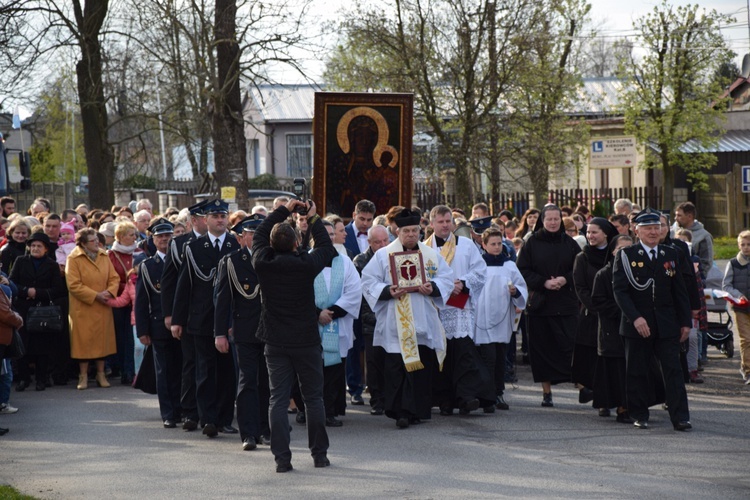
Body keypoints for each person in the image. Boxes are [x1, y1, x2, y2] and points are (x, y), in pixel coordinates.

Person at [252, 197, 337, 472]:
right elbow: (325, 247)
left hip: (276, 340)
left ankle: (282, 459)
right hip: (305, 340)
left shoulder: (263, 262)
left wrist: (283, 210)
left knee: (277, 399)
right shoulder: (305, 265)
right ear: (296, 244)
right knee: (313, 398)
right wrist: (312, 218)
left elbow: (261, 234)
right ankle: (319, 455)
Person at [361, 208, 453, 428]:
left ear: (420, 231)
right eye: (407, 231)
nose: (412, 235)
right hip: (396, 321)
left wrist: (433, 287)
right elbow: (367, 281)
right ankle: (400, 412)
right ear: (397, 231)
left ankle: (418, 410)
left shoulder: (431, 255)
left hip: (422, 320)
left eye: (415, 230)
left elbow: (447, 279)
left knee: (420, 367)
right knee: (396, 368)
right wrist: (387, 291)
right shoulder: (384, 255)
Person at [612, 209, 692, 431]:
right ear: (636, 231)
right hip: (637, 324)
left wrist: (685, 321)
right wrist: (636, 318)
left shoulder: (670, 254)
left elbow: (680, 291)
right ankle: (638, 413)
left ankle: (680, 417)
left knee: (673, 371)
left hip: (666, 323)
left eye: (657, 227)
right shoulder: (626, 256)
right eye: (648, 228)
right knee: (636, 371)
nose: (654, 232)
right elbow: (620, 291)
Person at [172, 200, 238, 439]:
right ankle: (208, 418)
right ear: (205, 220)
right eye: (216, 216)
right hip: (202, 318)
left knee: (227, 372)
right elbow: (184, 285)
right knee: (205, 370)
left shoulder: (234, 243)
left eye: (223, 216)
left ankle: (224, 419)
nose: (220, 220)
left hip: (230, 319)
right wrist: (178, 319)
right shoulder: (194, 247)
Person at [425, 205, 493, 415]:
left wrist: (462, 283)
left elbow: (480, 271)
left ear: (453, 224)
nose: (445, 225)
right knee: (440, 356)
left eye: (448, 221)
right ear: (432, 224)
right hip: (436, 306)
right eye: (441, 222)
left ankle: (465, 397)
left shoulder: (465, 245)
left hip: (459, 306)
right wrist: (444, 286)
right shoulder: (424, 249)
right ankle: (444, 400)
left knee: (462, 353)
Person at [214, 214, 270, 450]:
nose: (257, 238)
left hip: (271, 330)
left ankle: (266, 429)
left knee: (267, 382)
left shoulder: (272, 257)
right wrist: (219, 333)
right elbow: (222, 300)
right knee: (247, 381)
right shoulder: (231, 261)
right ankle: (248, 432)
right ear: (241, 238)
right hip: (245, 330)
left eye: (261, 234)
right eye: (252, 234)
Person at [516, 204, 581, 407]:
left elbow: (580, 270)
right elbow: (522, 270)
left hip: (565, 302)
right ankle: (547, 392)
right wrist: (544, 282)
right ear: (542, 221)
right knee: (542, 349)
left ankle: (580, 384)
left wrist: (564, 279)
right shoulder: (532, 243)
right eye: (549, 219)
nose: (553, 223)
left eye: (556, 219)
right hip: (540, 304)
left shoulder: (570, 243)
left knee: (570, 346)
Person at [161, 200, 209, 431]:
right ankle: (190, 412)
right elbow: (169, 282)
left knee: (214, 365)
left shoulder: (222, 242)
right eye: (201, 217)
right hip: (189, 313)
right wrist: (171, 315)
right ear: (193, 221)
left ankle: (214, 412)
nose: (206, 220)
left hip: (213, 313)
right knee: (191, 364)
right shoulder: (179, 243)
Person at [134, 220, 184, 428]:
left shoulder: (182, 261)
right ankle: (169, 413)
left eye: (168, 236)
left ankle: (184, 409)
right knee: (164, 372)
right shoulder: (147, 266)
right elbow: (142, 300)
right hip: (158, 326)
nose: (165, 239)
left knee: (182, 369)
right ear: (153, 240)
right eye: (160, 236)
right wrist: (142, 330)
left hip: (182, 325)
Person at [313, 221, 362, 427]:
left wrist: (330, 314)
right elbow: (297, 292)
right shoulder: (305, 260)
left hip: (337, 323)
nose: (331, 237)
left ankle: (330, 410)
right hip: (312, 326)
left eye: (333, 234)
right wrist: (317, 313)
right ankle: (310, 410)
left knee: (333, 371)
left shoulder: (344, 262)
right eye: (326, 234)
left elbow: (354, 291)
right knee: (312, 371)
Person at [474, 228, 527, 411]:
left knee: (499, 358)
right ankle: (486, 396)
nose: (496, 248)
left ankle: (498, 393)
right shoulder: (478, 264)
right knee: (487, 358)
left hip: (502, 317)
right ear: (484, 245)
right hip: (483, 318)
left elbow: (521, 286)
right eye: (493, 244)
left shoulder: (509, 265)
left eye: (499, 244)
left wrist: (516, 292)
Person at [9, 233, 66, 392]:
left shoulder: (52, 265)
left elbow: (57, 289)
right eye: (33, 245)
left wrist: (38, 292)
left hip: (43, 310)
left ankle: (41, 379)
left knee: (42, 346)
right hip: (23, 309)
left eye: (39, 246)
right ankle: (23, 379)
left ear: (46, 249)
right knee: (23, 344)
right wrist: (27, 291)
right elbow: (12, 283)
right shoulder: (21, 261)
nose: (35, 248)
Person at [572, 217, 618, 409]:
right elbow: (580, 287)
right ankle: (599, 400)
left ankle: (610, 399)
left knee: (608, 361)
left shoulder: (613, 256)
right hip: (590, 315)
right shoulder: (582, 258)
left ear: (605, 233)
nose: (590, 236)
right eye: (588, 232)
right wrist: (595, 307)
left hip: (613, 315)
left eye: (594, 232)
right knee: (591, 358)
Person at [66, 228, 120, 390]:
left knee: (102, 341)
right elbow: (73, 284)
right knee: (83, 342)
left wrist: (109, 292)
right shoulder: (73, 258)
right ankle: (83, 376)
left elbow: (114, 277)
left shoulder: (104, 255)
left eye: (97, 239)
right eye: (92, 241)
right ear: (83, 243)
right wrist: (95, 295)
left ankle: (101, 374)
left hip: (103, 305)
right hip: (83, 307)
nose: (97, 243)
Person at [591, 234, 636, 423]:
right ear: (612, 252)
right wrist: (625, 311)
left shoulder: (638, 273)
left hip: (634, 329)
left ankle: (632, 405)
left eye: (629, 249)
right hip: (612, 329)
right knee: (615, 373)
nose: (625, 253)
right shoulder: (603, 274)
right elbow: (598, 302)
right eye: (621, 249)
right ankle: (620, 406)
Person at [352, 224, 390, 415]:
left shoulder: (394, 256)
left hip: (392, 317)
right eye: (377, 242)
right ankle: (377, 400)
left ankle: (390, 398)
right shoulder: (361, 260)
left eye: (385, 241)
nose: (382, 245)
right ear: (369, 242)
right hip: (370, 319)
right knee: (373, 362)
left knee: (390, 360)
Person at [108, 221, 140, 384]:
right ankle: (120, 368)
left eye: (135, 234)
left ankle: (131, 371)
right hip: (119, 300)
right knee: (120, 337)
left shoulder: (139, 251)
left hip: (136, 301)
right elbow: (109, 278)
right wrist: (126, 285)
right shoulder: (110, 255)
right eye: (130, 234)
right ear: (120, 237)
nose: (135, 237)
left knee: (133, 339)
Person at [722, 230, 750, 385]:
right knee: (746, 339)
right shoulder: (733, 263)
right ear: (739, 245)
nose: (746, 248)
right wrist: (738, 295)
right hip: (741, 308)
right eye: (743, 244)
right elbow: (726, 285)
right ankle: (747, 370)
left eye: (749, 244)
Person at [673, 201, 713, 278]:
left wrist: (698, 279)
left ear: (689, 217)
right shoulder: (672, 232)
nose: (675, 218)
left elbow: (706, 263)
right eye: (675, 215)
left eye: (679, 215)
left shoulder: (704, 236)